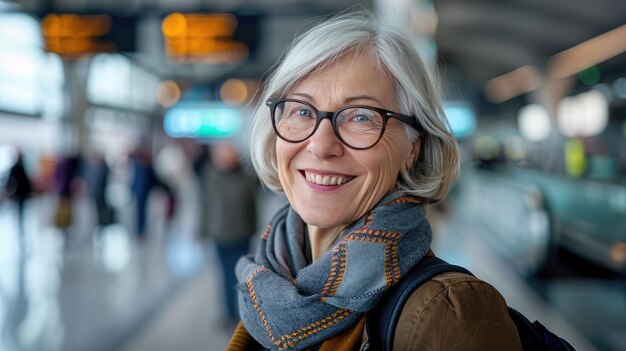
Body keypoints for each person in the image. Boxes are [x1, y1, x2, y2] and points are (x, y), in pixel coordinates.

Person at [227, 11, 522, 351]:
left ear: (413, 147)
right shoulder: (269, 285)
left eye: (361, 117)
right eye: (302, 111)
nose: (321, 145)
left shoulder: (449, 314)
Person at [203, 142, 258, 327]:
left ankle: (241, 315)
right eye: (219, 155)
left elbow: (252, 207)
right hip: (219, 235)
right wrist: (202, 230)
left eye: (226, 154)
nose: (222, 159)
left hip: (240, 235)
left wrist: (253, 229)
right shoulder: (211, 177)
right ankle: (228, 313)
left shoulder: (245, 178)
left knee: (239, 277)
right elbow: (204, 205)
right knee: (224, 276)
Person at [4, 151, 33, 234]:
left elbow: (26, 181)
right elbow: (10, 180)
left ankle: (20, 222)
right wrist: (9, 189)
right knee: (18, 208)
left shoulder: (23, 167)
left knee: (21, 208)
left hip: (22, 192)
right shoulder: (16, 167)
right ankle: (19, 222)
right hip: (18, 192)